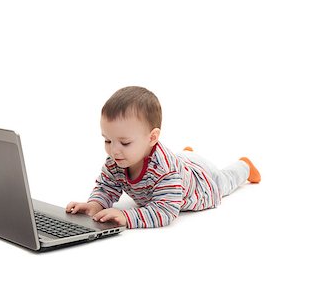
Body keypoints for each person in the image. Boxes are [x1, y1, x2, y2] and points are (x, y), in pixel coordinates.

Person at [66, 86, 261, 229]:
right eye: (107, 140)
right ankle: (188, 154)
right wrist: (94, 205)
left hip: (202, 181)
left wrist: (127, 216)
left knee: (224, 180)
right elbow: (107, 187)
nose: (113, 151)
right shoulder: (116, 161)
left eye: (124, 143)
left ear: (152, 138)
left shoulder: (165, 171)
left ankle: (245, 166)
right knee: (181, 159)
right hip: (180, 163)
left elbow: (166, 211)